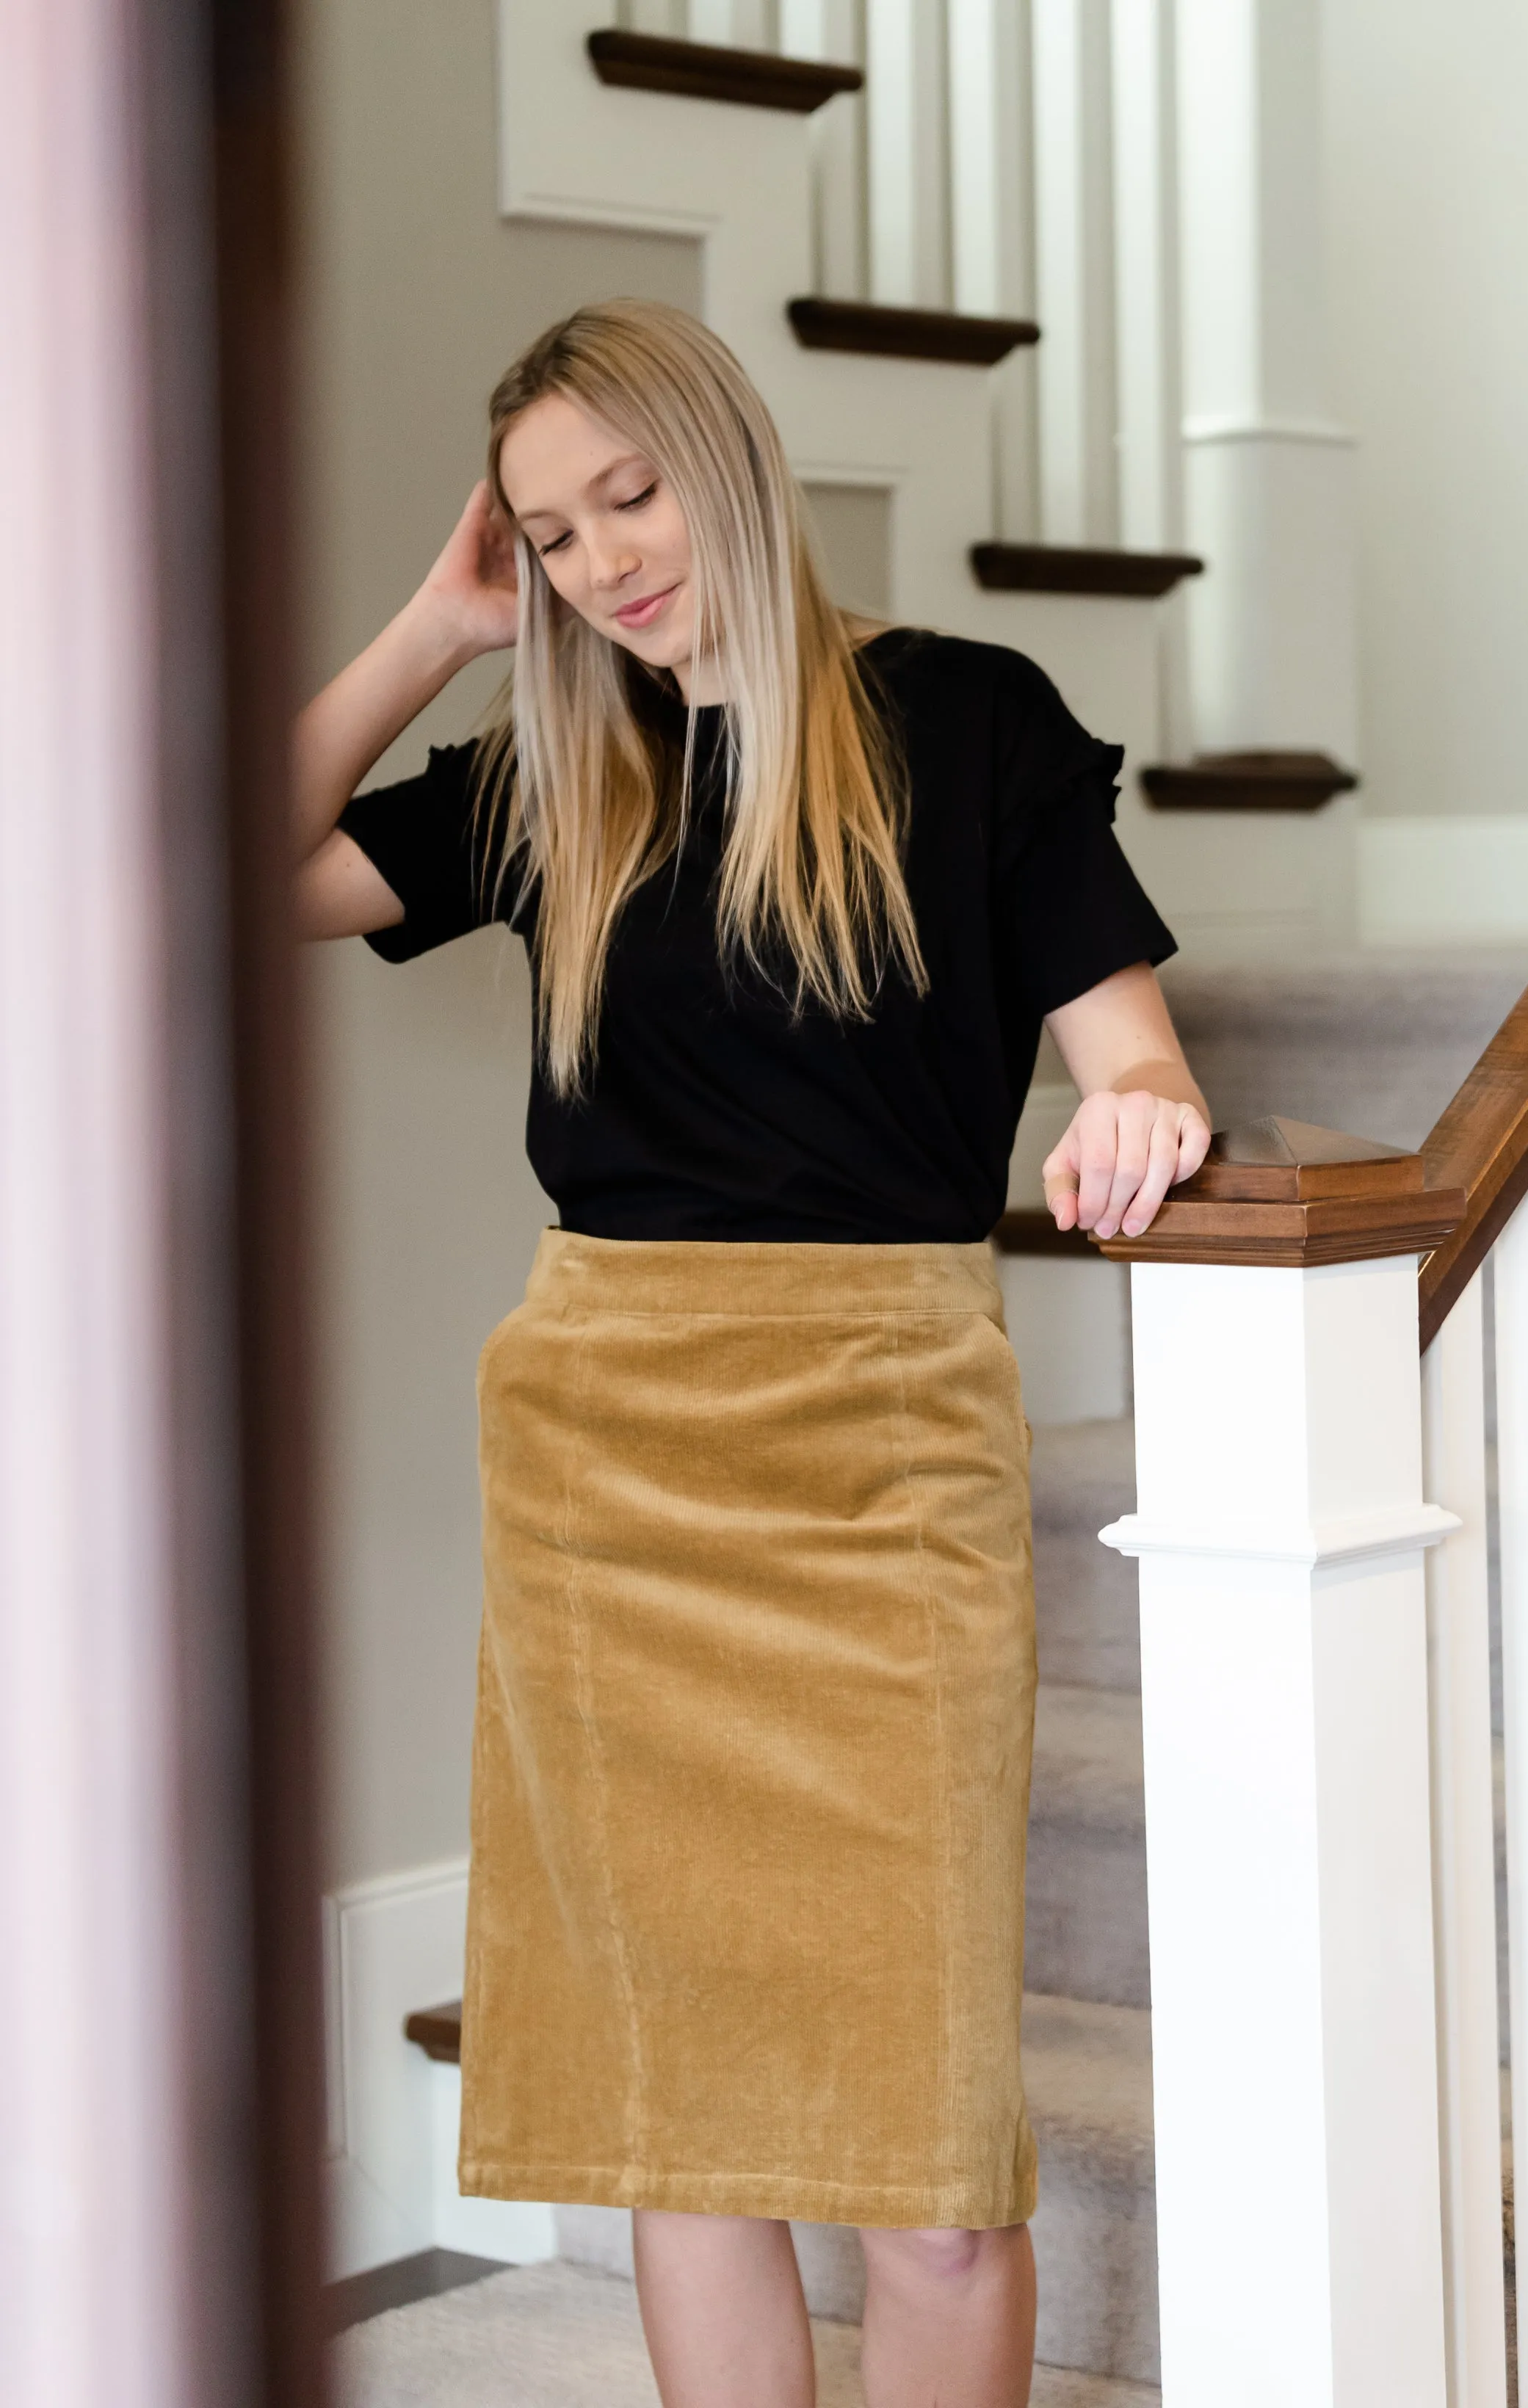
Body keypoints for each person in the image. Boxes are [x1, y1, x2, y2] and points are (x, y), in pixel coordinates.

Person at [294, 297, 1209, 2408]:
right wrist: (436, 636)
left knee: (932, 2166)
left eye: (632, 493)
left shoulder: (969, 719)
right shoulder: (553, 777)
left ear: (732, 457)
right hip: (607, 1455)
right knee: (678, 2131)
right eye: (545, 535)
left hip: (885, 1443)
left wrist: (1135, 1105)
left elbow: (1128, 1037)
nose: (604, 559)